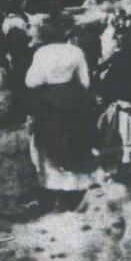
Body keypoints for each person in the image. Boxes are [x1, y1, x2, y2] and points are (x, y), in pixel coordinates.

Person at [25, 14, 98, 204]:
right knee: (74, 140)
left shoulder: (41, 53)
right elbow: (86, 82)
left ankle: (50, 190)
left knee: (48, 140)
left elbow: (32, 81)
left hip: (49, 100)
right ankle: (72, 193)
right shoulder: (75, 51)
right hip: (73, 99)